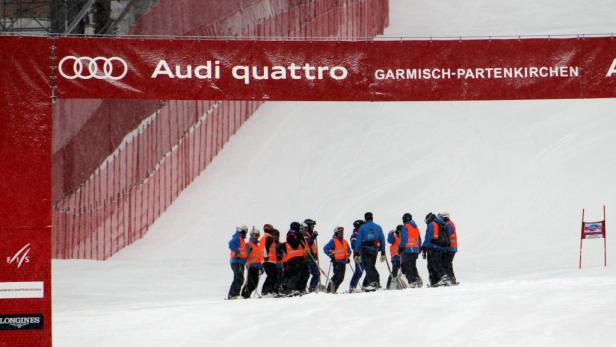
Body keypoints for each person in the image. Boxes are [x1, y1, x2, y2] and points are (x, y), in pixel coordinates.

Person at [354, 212, 385, 291]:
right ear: (372, 217)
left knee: (368, 267)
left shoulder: (362, 228)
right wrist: (383, 252)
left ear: (365, 218)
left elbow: (359, 240)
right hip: (375, 249)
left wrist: (356, 252)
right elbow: (382, 239)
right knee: (371, 266)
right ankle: (376, 282)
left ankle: (373, 283)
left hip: (365, 249)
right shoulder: (378, 227)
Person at [421, 213, 451, 287]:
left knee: (435, 264)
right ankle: (437, 281)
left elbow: (428, 237)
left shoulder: (432, 224)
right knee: (436, 264)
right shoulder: (442, 224)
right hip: (441, 248)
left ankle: (444, 279)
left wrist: (423, 247)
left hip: (434, 247)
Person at [323, 226, 351, 293]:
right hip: (336, 262)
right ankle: (329, 290)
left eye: (342, 232)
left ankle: (334, 290)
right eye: (340, 232)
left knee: (341, 278)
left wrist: (347, 257)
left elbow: (349, 251)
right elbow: (325, 248)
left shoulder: (345, 241)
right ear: (336, 233)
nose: (342, 233)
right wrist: (331, 255)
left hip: (343, 262)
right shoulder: (333, 241)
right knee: (336, 276)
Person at [284, 221, 308, 296]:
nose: (300, 229)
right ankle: (290, 289)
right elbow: (294, 245)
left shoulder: (298, 234)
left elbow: (303, 246)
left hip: (300, 257)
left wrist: (301, 237)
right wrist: (299, 237)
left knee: (305, 273)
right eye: (299, 227)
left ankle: (300, 289)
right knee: (295, 274)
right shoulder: (291, 234)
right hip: (293, 258)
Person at [400, 213, 423, 287]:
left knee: (408, 266)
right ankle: (417, 279)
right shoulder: (415, 227)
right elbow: (419, 239)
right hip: (415, 250)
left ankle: (412, 281)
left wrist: (401, 247)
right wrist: (418, 248)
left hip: (408, 249)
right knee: (413, 265)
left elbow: (404, 238)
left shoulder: (405, 226)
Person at [241, 227, 264, 298]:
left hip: (257, 266)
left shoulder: (257, 246)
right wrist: (248, 251)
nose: (256, 236)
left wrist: (261, 267)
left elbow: (259, 258)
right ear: (251, 235)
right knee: (251, 282)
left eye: (257, 235)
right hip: (251, 266)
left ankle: (246, 294)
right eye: (254, 235)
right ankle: (245, 295)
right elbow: (245, 254)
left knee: (255, 283)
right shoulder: (248, 244)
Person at [227, 225, 248, 299]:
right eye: (245, 231)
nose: (246, 233)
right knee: (238, 277)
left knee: (239, 278)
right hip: (236, 261)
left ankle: (235, 294)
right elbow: (231, 243)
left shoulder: (241, 239)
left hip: (240, 262)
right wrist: (236, 251)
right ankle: (233, 294)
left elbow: (243, 252)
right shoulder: (237, 237)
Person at [439, 212, 458, 284]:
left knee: (447, 263)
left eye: (441, 217)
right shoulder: (448, 224)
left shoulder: (449, 224)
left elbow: (447, 235)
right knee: (447, 263)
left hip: (450, 247)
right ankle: (451, 279)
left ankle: (451, 279)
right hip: (451, 247)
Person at [259, 224, 278, 296]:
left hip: (266, 260)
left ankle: (269, 291)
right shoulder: (269, 237)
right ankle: (266, 291)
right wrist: (266, 256)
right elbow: (266, 247)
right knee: (271, 276)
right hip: (269, 260)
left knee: (271, 276)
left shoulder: (262, 238)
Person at [303, 218, 321, 292]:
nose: (313, 227)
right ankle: (311, 288)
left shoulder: (309, 234)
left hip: (312, 257)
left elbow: (311, 246)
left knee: (316, 273)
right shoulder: (305, 234)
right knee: (315, 273)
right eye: (312, 225)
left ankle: (311, 287)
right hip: (308, 257)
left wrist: (315, 254)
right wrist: (313, 236)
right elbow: (308, 243)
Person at [348, 219, 366, 293]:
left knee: (368, 270)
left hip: (364, 255)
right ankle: (352, 287)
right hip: (358, 255)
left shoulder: (362, 234)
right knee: (359, 271)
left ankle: (365, 285)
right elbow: (353, 245)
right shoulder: (355, 235)